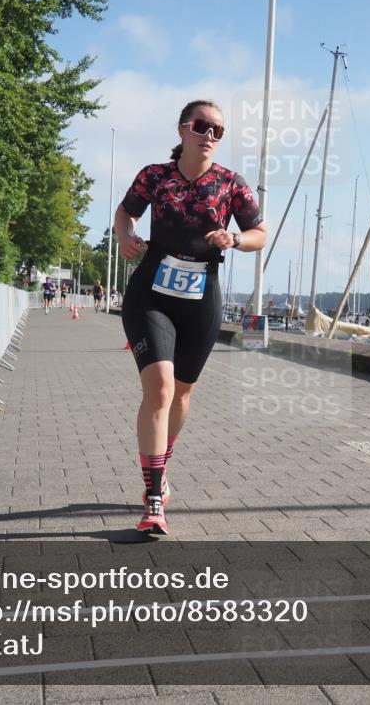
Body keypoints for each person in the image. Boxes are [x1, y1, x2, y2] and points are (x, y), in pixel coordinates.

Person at [115, 99, 267, 535]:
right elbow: (127, 212)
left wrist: (235, 240)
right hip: (151, 294)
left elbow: (260, 232)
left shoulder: (230, 184)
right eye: (203, 127)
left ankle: (162, 458)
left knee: (182, 394)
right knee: (160, 390)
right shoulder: (155, 176)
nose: (211, 137)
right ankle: (154, 495)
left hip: (201, 296)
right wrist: (126, 236)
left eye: (219, 131)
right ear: (183, 129)